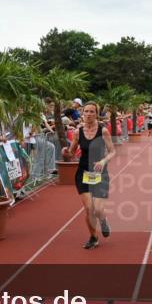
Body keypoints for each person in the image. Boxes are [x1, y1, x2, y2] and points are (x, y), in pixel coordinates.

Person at [62, 101, 116, 249]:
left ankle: (103, 220)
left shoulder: (103, 131)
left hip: (99, 173)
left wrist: (104, 161)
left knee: (98, 210)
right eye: (86, 111)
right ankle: (93, 237)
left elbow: (112, 151)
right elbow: (72, 153)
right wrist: (66, 152)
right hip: (83, 172)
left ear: (96, 114)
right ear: (82, 113)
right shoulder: (78, 132)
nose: (88, 114)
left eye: (92, 112)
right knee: (89, 209)